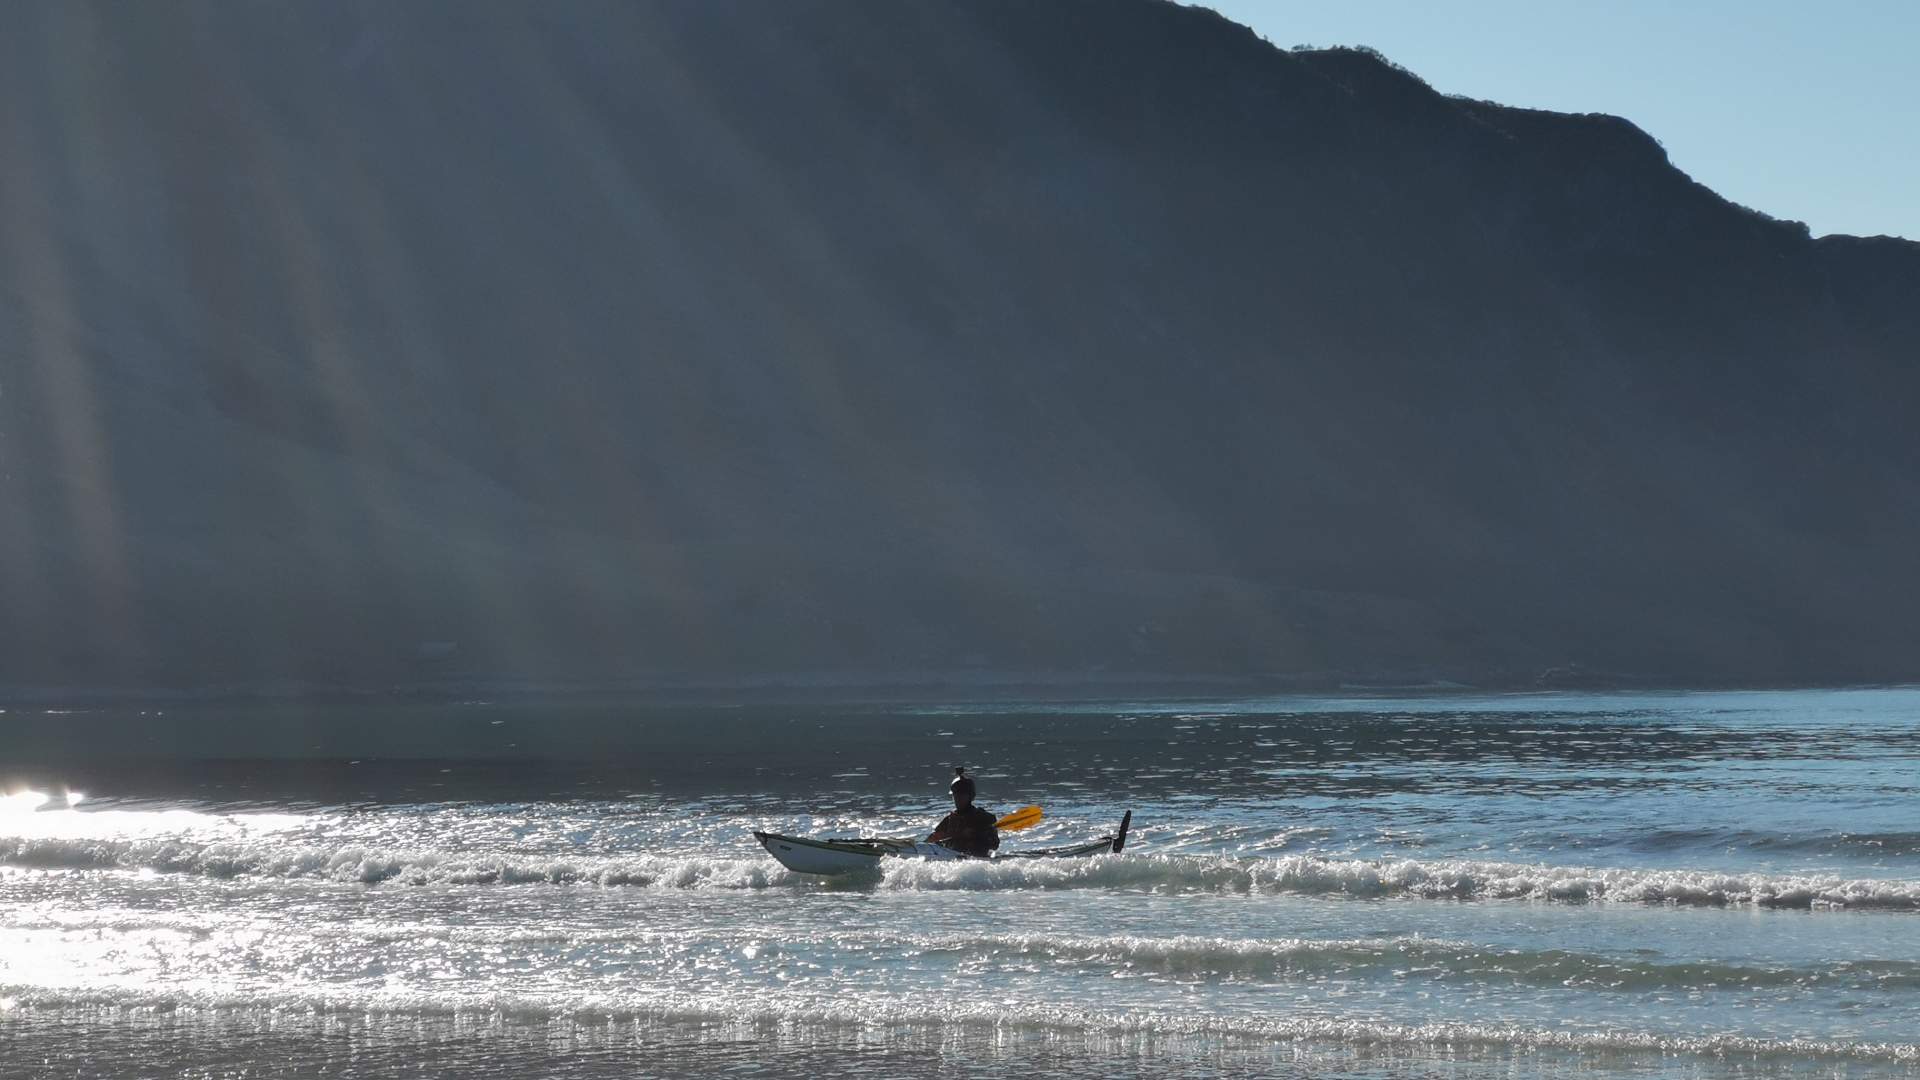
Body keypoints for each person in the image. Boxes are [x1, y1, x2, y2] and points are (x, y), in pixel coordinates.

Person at [927, 766, 999, 857]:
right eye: (955, 796)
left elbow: (995, 845)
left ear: (970, 796)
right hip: (952, 858)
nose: (958, 799)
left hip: (976, 859)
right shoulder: (949, 819)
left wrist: (977, 835)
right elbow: (931, 841)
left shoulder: (983, 818)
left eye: (961, 795)